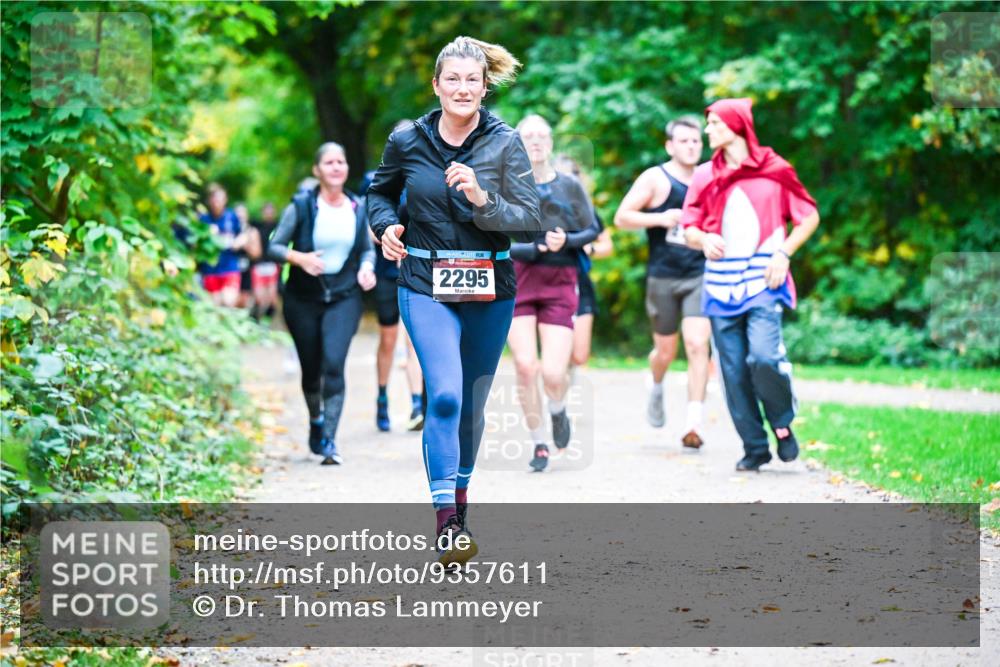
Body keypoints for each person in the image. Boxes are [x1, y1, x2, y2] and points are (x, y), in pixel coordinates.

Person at [367, 36, 542, 563]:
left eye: (473, 80)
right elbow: (378, 193)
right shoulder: (407, 140)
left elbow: (530, 221)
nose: (463, 89)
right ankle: (446, 523)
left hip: (490, 286)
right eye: (453, 79)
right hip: (424, 282)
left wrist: (482, 198)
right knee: (444, 395)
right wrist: (385, 227)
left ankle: (460, 504)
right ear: (437, 85)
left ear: (485, 87)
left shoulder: (505, 143)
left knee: (471, 406)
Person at [682, 98, 820, 471]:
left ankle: (782, 423)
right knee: (734, 373)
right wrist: (702, 240)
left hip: (764, 280)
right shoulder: (704, 175)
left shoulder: (775, 170)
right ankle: (754, 448)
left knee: (763, 358)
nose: (707, 131)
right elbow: (689, 224)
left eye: (713, 124)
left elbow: (808, 216)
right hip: (720, 287)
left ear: (735, 126)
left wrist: (784, 253)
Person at [268, 142, 377, 465]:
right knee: (311, 369)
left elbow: (366, 249)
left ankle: (329, 439)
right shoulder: (301, 206)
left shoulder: (358, 206)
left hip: (343, 296)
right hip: (302, 299)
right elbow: (273, 247)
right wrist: (298, 258)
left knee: (333, 363)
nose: (335, 167)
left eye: (340, 162)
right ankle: (315, 419)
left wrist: (367, 267)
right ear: (317, 170)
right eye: (328, 162)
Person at [614, 116, 713, 450]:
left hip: (700, 273)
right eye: (683, 141)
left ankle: (693, 423)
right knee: (666, 351)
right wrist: (660, 217)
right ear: (670, 146)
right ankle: (655, 383)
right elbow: (621, 217)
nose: (691, 146)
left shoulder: (710, 176)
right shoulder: (656, 178)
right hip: (663, 275)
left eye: (696, 141)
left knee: (699, 345)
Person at [510, 115, 599, 472]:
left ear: (551, 142)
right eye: (527, 136)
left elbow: (593, 228)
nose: (535, 141)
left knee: (552, 372)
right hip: (518, 280)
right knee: (524, 366)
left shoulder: (569, 186)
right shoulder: (506, 185)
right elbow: (492, 239)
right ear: (517, 143)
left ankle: (559, 412)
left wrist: (568, 240)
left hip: (560, 280)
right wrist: (529, 248)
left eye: (541, 135)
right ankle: (539, 444)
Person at [360, 167, 426, 433]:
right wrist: (390, 239)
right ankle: (382, 396)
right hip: (387, 271)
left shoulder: (425, 176)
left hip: (417, 271)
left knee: (414, 340)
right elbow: (364, 227)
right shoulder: (374, 180)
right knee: (388, 340)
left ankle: (417, 405)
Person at [552, 155, 614, 370]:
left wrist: (591, 248)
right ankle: (556, 398)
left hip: (580, 283)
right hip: (551, 282)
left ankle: (561, 389)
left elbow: (607, 245)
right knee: (558, 349)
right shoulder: (541, 208)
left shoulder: (587, 211)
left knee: (579, 355)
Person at [198, 183, 248, 307]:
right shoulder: (203, 220)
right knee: (215, 305)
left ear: (225, 200)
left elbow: (243, 234)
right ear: (209, 201)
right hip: (210, 269)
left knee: (228, 301)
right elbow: (196, 245)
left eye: (220, 199)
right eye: (214, 199)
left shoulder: (232, 217)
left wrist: (239, 241)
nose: (217, 203)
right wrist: (207, 235)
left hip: (230, 267)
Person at [250, 202, 280, 321]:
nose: (268, 213)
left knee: (272, 297)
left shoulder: (278, 227)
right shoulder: (256, 226)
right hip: (258, 264)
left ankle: (267, 322)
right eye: (266, 210)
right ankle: (255, 319)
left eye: (270, 211)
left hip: (272, 265)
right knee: (258, 297)